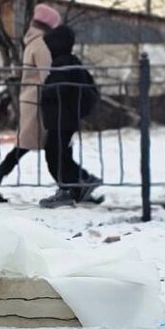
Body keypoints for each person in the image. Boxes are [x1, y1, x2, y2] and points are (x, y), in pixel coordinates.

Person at [0, 5, 62, 202]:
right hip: (38, 102)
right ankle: (72, 185)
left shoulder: (31, 42)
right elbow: (47, 76)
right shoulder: (42, 45)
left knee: (28, 146)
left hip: (30, 99)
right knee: (38, 147)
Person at [37, 25, 102, 207]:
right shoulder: (72, 62)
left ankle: (71, 187)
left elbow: (59, 89)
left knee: (54, 156)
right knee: (61, 154)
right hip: (67, 118)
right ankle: (79, 187)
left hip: (61, 119)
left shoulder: (63, 64)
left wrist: (44, 90)